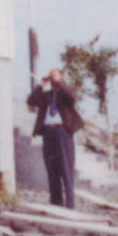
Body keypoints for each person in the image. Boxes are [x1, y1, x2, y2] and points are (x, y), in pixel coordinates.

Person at [28, 67, 83, 208]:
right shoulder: (46, 95)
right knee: (52, 169)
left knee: (66, 168)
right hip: (48, 133)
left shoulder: (65, 92)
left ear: (61, 77)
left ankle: (70, 205)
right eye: (51, 76)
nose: (53, 78)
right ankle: (56, 204)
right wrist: (41, 83)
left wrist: (61, 82)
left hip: (62, 132)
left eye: (56, 75)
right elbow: (31, 100)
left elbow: (72, 97)